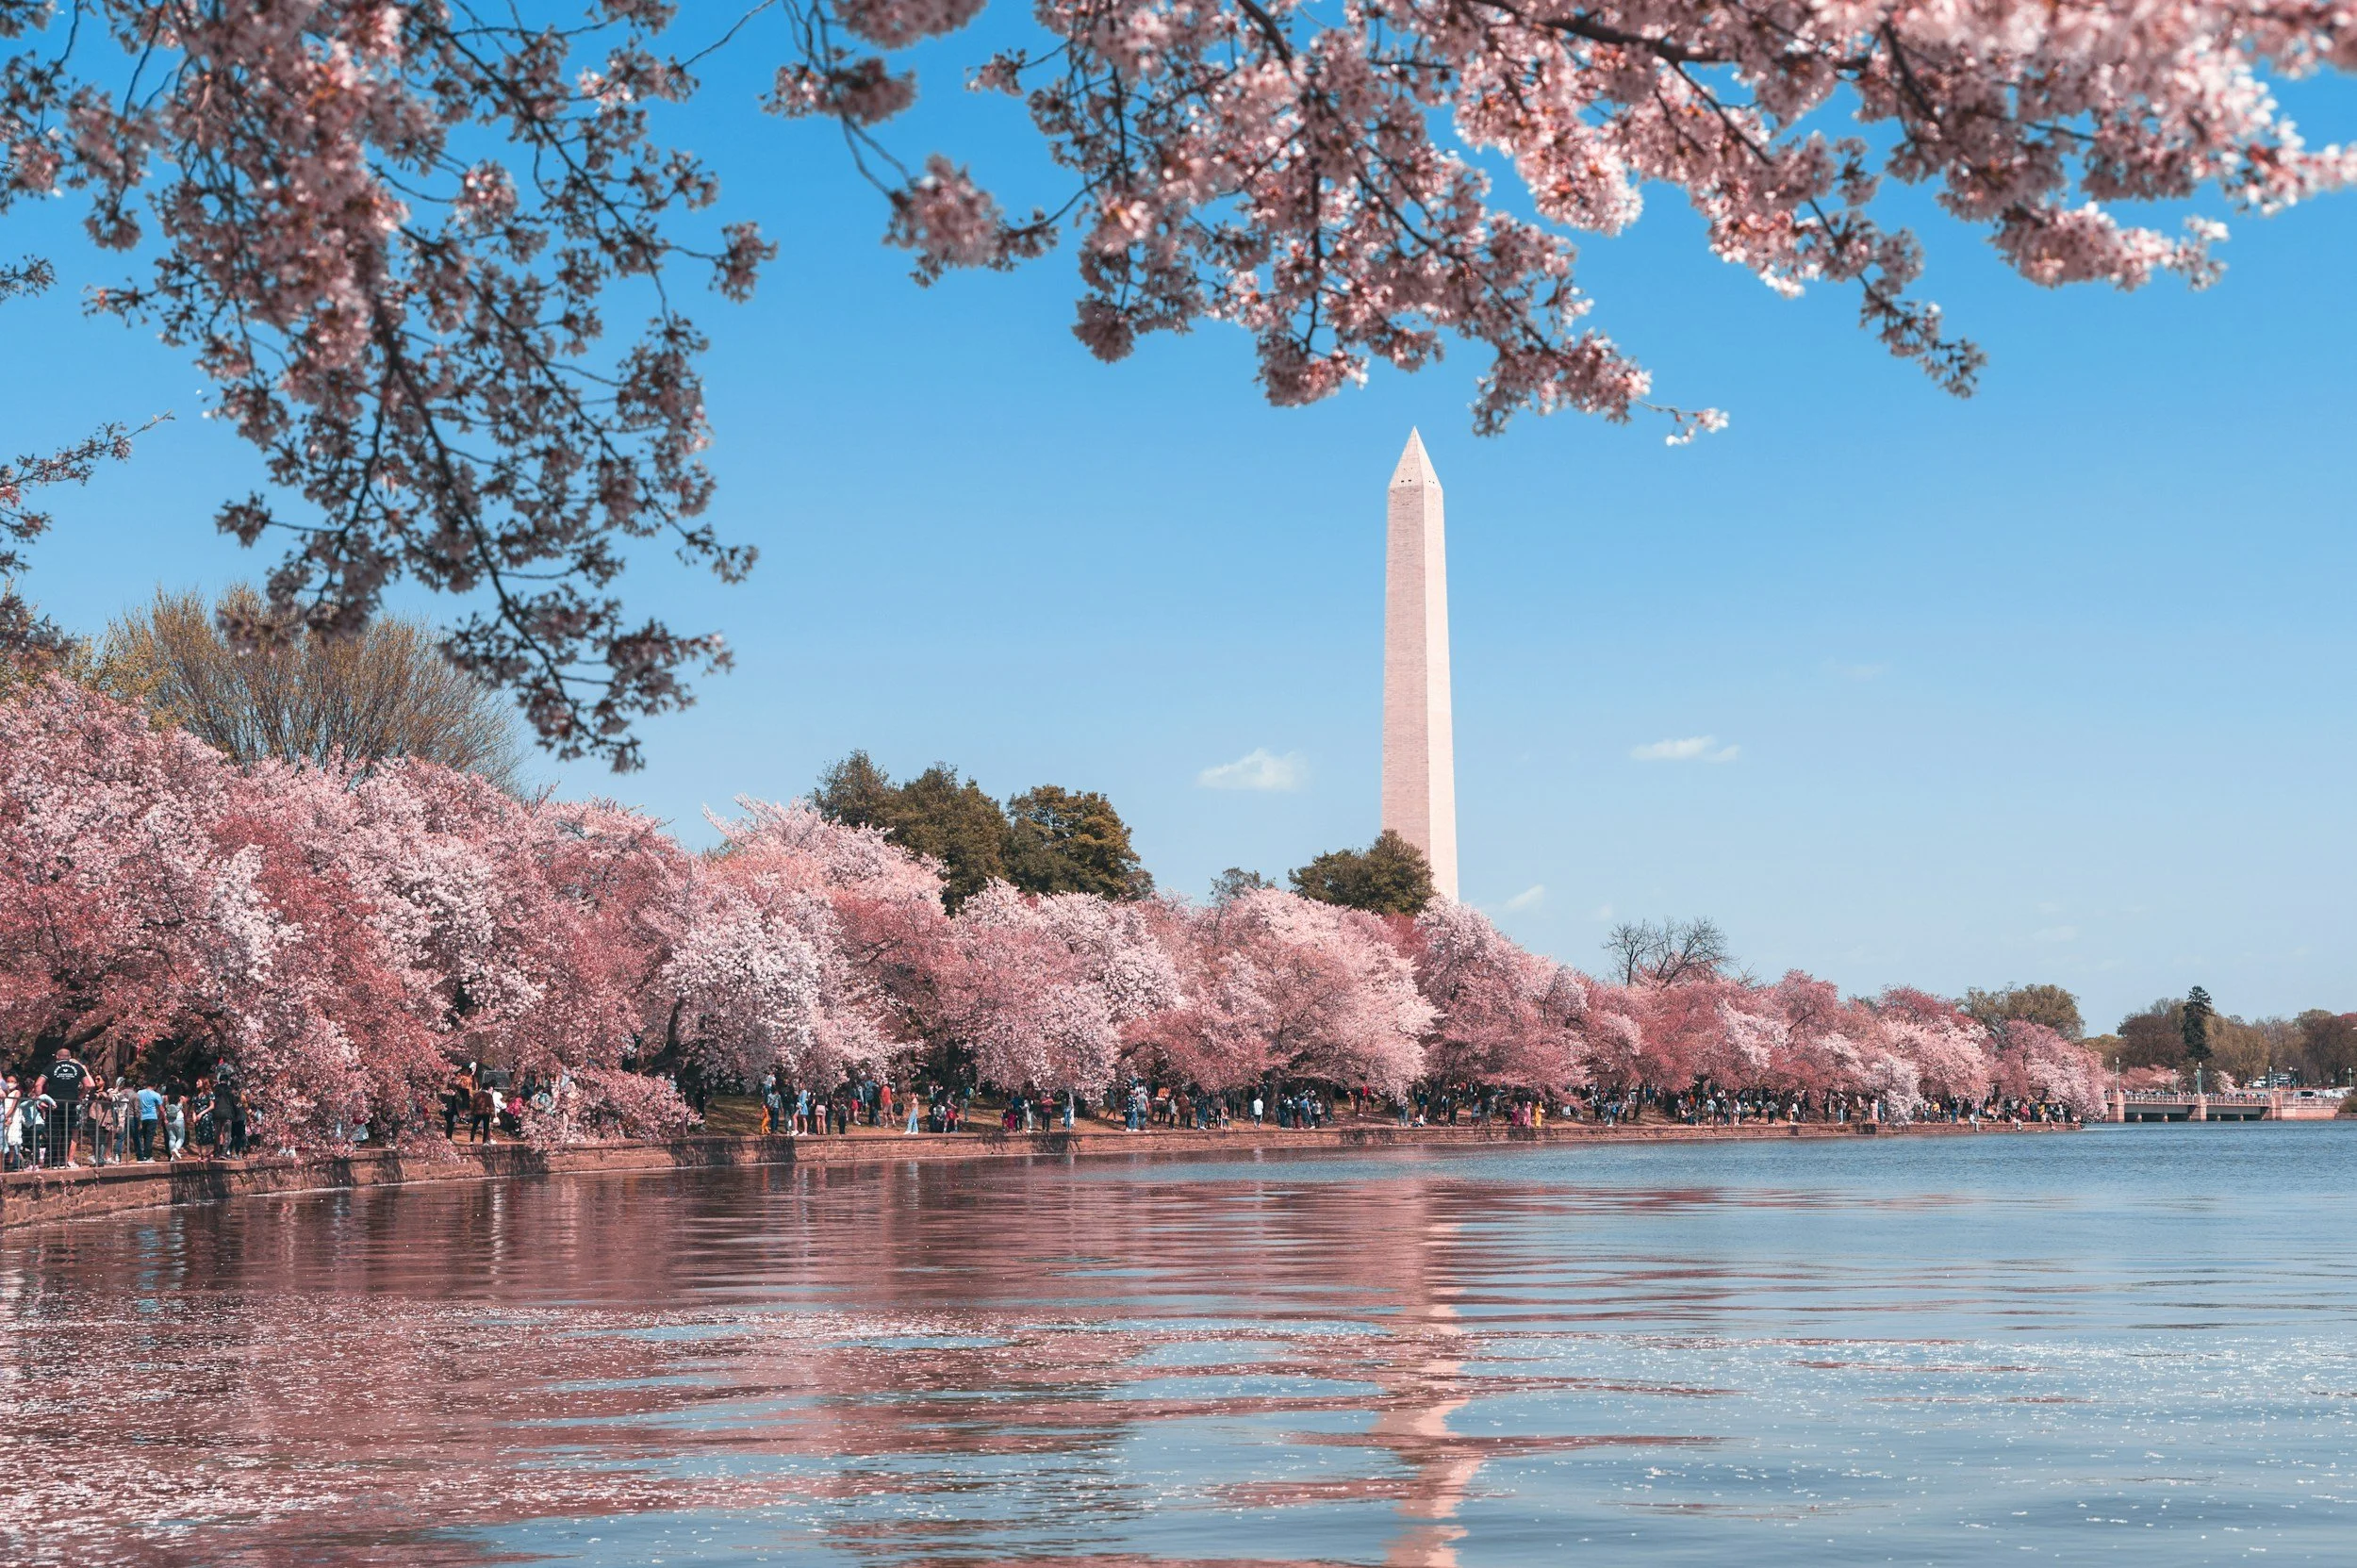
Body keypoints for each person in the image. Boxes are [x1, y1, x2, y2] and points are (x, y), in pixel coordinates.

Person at [36, 1045, 91, 1167]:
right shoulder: (77, 1067)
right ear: (70, 1057)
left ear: (57, 1057)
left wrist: (41, 1099)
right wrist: (80, 1097)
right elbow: (87, 1085)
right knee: (67, 1133)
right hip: (71, 1104)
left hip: (54, 1103)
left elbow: (38, 1084)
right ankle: (63, 1160)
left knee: (54, 1132)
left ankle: (52, 1160)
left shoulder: (50, 1067)